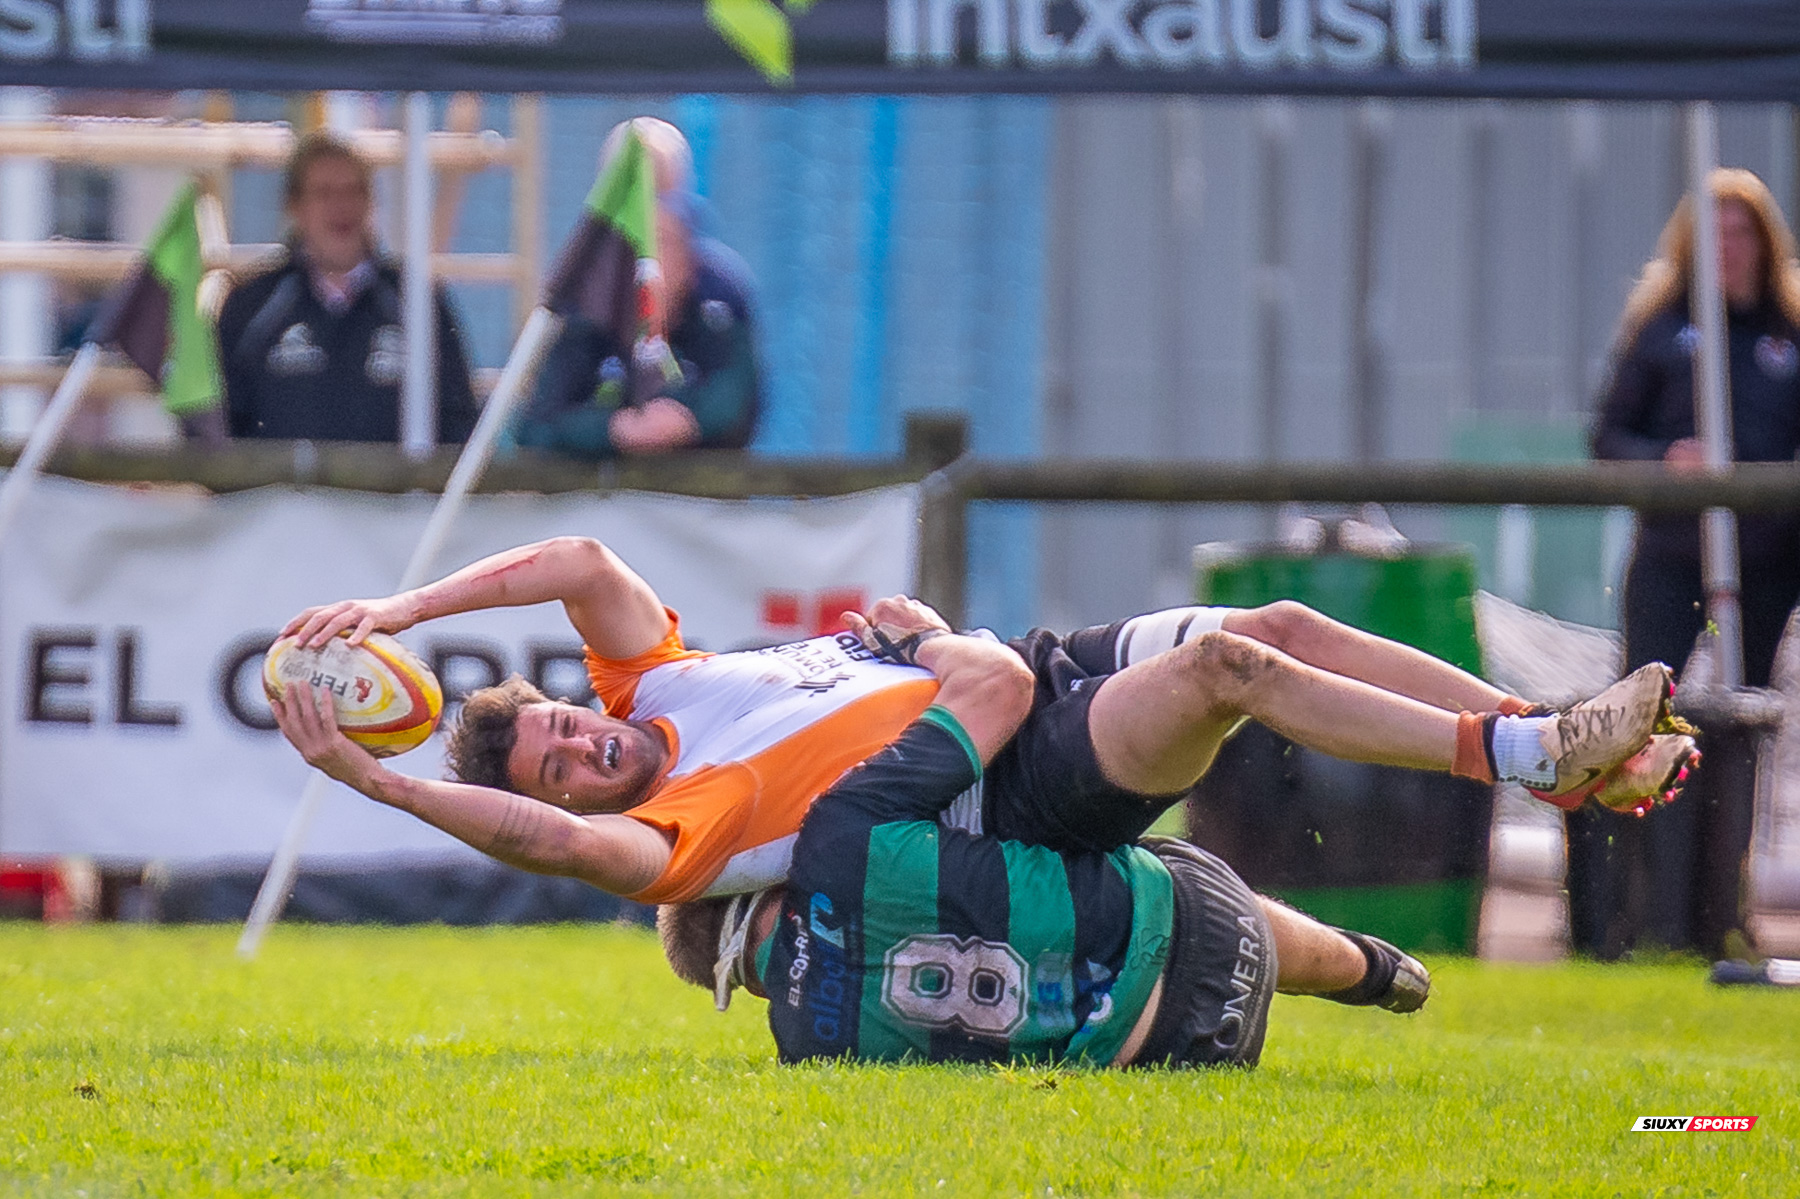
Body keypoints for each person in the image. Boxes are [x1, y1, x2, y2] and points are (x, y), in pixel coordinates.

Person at [272, 536, 1693, 909]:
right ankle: (1524, 758)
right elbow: (556, 847)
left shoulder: (653, 681)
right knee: (1229, 676)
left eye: (567, 735)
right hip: (1021, 772)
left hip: (1015, 663)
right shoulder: (675, 826)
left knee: (1283, 625)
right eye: (567, 779)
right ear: (580, 806)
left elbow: (577, 557)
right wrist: (374, 782)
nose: (586, 755)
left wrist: (400, 611)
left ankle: (1559, 743)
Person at [657, 625, 1427, 1068]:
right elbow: (993, 693)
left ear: (742, 985)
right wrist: (925, 637)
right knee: (1144, 869)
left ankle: (1367, 967)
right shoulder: (836, 838)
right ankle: (1371, 968)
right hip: (1216, 923)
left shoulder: (809, 1051)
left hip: (1182, 1051)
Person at [1577, 166, 1800, 957]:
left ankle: (1722, 904)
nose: (1729, 247)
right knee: (1639, 711)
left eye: (1743, 232)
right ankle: (1629, 907)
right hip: (1672, 552)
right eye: (1716, 231)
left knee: (1747, 719)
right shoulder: (1662, 331)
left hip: (1767, 561)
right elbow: (1606, 437)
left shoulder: (1788, 333)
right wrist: (1666, 458)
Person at [209, 132, 479, 445]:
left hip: (396, 494)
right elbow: (221, 427)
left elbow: (458, 420)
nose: (341, 207)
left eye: (353, 191)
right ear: (295, 207)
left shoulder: (417, 302)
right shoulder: (252, 305)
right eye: (325, 193)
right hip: (278, 494)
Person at [514, 117, 762, 457]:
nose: (649, 253)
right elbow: (538, 424)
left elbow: (741, 401)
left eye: (662, 190)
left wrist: (685, 421)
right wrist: (612, 429)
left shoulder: (720, 292)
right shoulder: (583, 294)